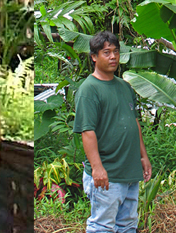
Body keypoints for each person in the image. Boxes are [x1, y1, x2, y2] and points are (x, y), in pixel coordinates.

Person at [73, 30, 151, 233]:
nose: (113, 56)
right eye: (106, 52)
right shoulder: (89, 89)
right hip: (107, 173)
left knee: (127, 225)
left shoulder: (125, 87)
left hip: (129, 171)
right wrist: (97, 168)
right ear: (94, 57)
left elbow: (134, 123)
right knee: (102, 227)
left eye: (116, 51)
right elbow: (87, 132)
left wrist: (143, 156)